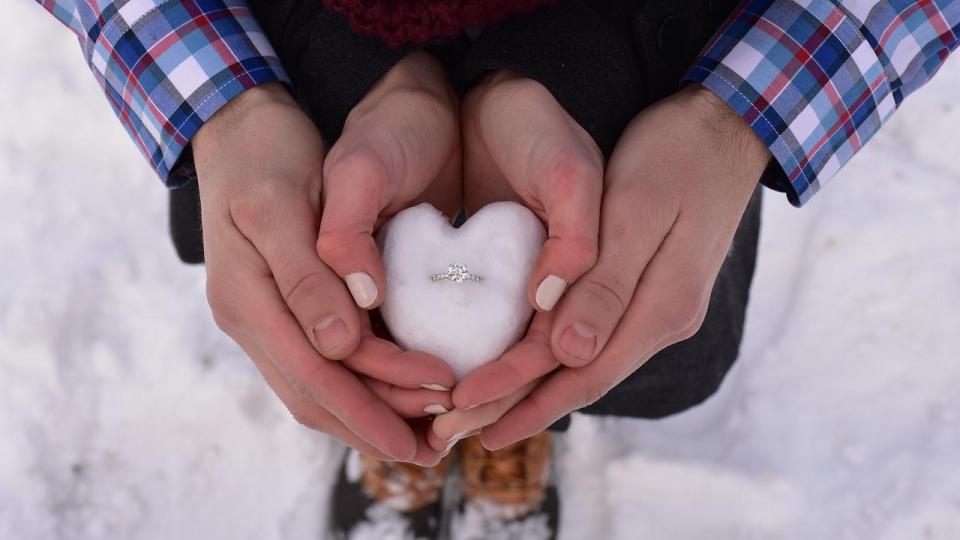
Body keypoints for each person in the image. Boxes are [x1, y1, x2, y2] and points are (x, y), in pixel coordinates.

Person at [35, 0, 959, 538]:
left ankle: (507, 419)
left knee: (622, 316)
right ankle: (412, 414)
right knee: (323, 260)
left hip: (632, 29)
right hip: (305, 23)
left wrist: (735, 116)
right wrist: (223, 98)